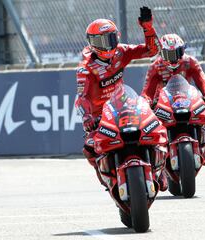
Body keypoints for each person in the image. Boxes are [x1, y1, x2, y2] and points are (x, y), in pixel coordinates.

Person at [75, 7, 168, 190]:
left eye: (110, 38)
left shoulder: (121, 52)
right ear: (91, 43)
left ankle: (159, 170)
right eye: (101, 40)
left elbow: (152, 50)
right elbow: (81, 98)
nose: (107, 45)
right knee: (90, 147)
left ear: (116, 37)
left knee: (154, 128)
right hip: (102, 117)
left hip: (123, 106)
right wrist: (88, 119)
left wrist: (148, 27)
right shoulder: (85, 68)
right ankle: (108, 180)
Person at [141, 33, 205, 165]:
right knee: (151, 128)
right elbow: (147, 92)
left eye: (177, 52)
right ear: (162, 54)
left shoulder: (190, 62)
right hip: (163, 105)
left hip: (187, 100)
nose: (173, 58)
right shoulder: (155, 67)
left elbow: (204, 81)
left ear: (183, 50)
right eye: (169, 54)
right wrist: (146, 104)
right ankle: (159, 161)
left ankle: (203, 148)